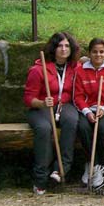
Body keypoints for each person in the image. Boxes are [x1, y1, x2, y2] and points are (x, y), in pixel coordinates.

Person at [23, 32, 80, 195]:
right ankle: (40, 178)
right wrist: (41, 103)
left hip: (64, 105)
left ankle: (60, 170)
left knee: (72, 120)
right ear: (53, 48)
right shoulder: (38, 69)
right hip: (41, 107)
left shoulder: (74, 67)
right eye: (60, 46)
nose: (63, 49)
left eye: (67, 46)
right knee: (44, 129)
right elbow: (28, 99)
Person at [74, 38, 104, 187]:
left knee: (102, 128)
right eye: (94, 52)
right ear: (89, 53)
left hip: (103, 109)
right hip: (85, 109)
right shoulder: (81, 71)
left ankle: (98, 166)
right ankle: (91, 163)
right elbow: (78, 96)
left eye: (101, 52)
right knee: (83, 128)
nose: (98, 55)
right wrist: (87, 112)